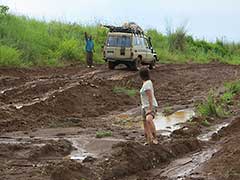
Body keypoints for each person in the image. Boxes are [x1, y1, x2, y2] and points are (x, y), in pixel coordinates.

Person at [139, 67, 159, 145]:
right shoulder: (146, 83)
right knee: (145, 124)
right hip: (144, 106)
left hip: (150, 105)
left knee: (148, 119)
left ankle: (154, 138)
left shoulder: (147, 84)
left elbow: (150, 96)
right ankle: (148, 140)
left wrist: (150, 108)